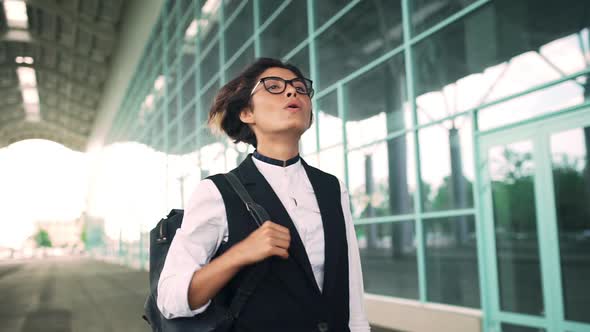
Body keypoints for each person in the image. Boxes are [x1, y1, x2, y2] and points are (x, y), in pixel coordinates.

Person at [157, 57, 370, 332]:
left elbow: (350, 281)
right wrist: (239, 254)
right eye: (273, 87)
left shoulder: (331, 187)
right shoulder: (217, 192)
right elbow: (169, 298)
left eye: (300, 88)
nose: (292, 92)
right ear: (247, 113)